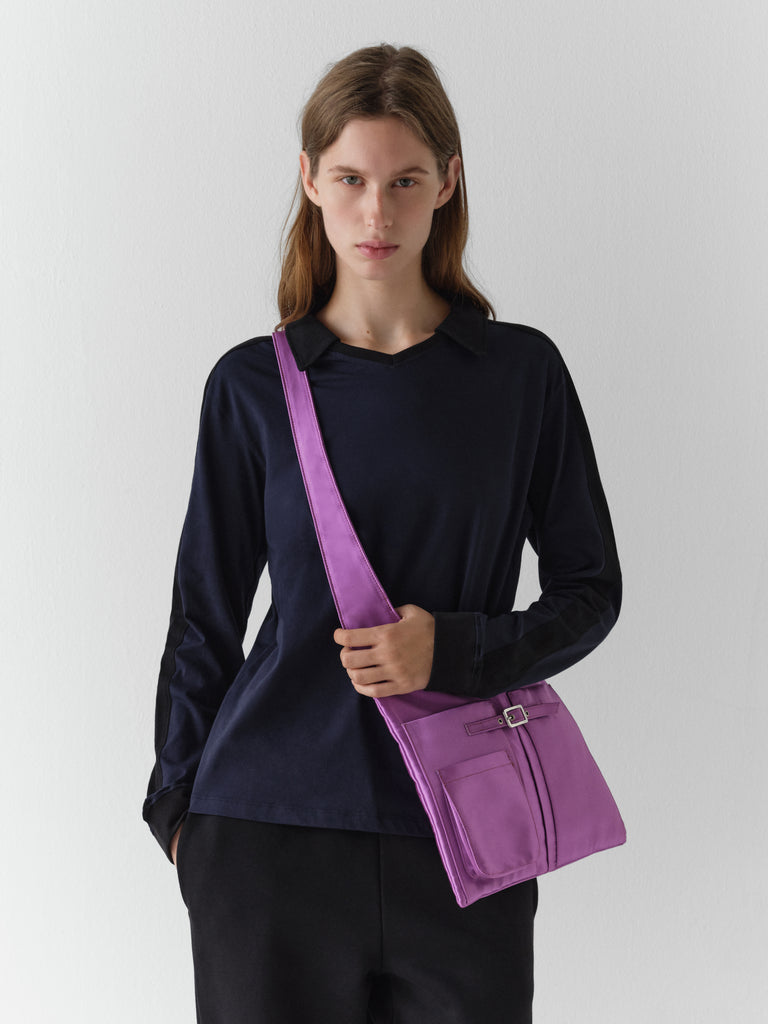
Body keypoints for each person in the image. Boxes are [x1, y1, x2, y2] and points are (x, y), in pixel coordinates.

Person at [143, 43, 621, 1024]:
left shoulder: (519, 375)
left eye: (405, 180)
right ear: (310, 179)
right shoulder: (250, 387)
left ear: (447, 182)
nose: (377, 212)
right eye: (352, 179)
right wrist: (177, 811)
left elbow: (590, 589)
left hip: (466, 838)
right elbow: (205, 616)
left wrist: (453, 648)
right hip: (264, 833)